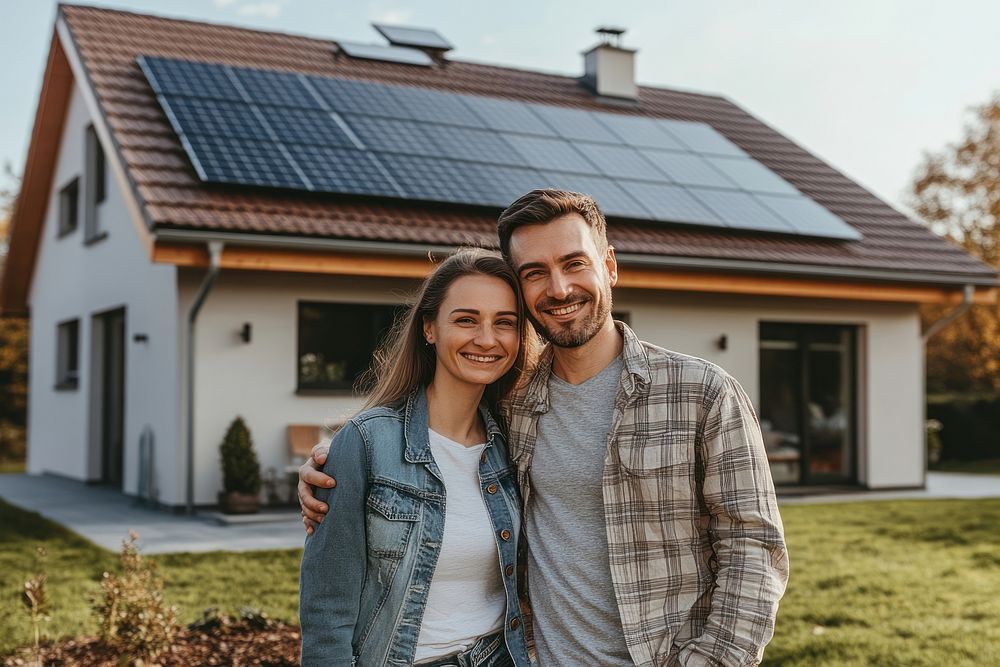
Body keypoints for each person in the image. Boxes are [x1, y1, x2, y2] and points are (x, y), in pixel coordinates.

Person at [300, 190, 789, 666]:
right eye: (535, 273)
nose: (558, 289)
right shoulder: (512, 407)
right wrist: (331, 468)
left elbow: (755, 549)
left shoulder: (702, 393)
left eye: (574, 263)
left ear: (610, 266)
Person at [299, 248, 535, 666]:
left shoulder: (516, 444)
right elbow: (326, 612)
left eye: (505, 323)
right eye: (466, 319)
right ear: (430, 328)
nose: (486, 339)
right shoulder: (367, 443)